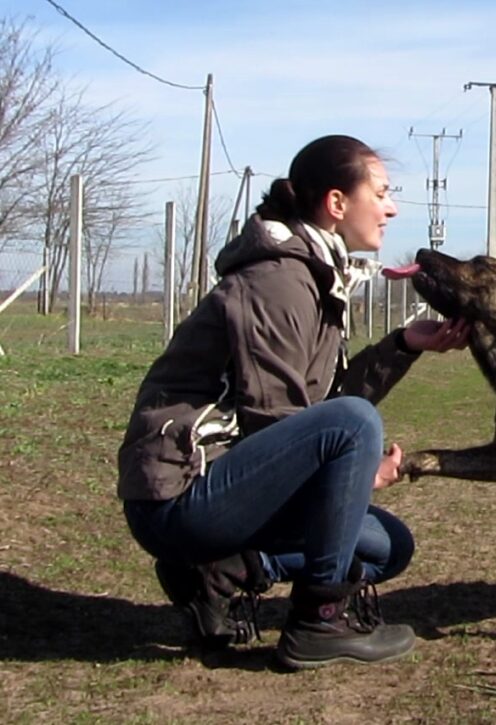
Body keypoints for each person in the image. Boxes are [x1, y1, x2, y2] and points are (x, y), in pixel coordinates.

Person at [117, 134, 468, 670]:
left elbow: (322, 404)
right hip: (180, 495)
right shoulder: (279, 281)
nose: (392, 207)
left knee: (385, 545)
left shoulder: (313, 273)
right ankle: (318, 624)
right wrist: (348, 474)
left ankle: (222, 571)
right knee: (356, 425)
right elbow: (278, 420)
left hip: (226, 488)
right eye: (382, 192)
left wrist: (403, 346)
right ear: (336, 203)